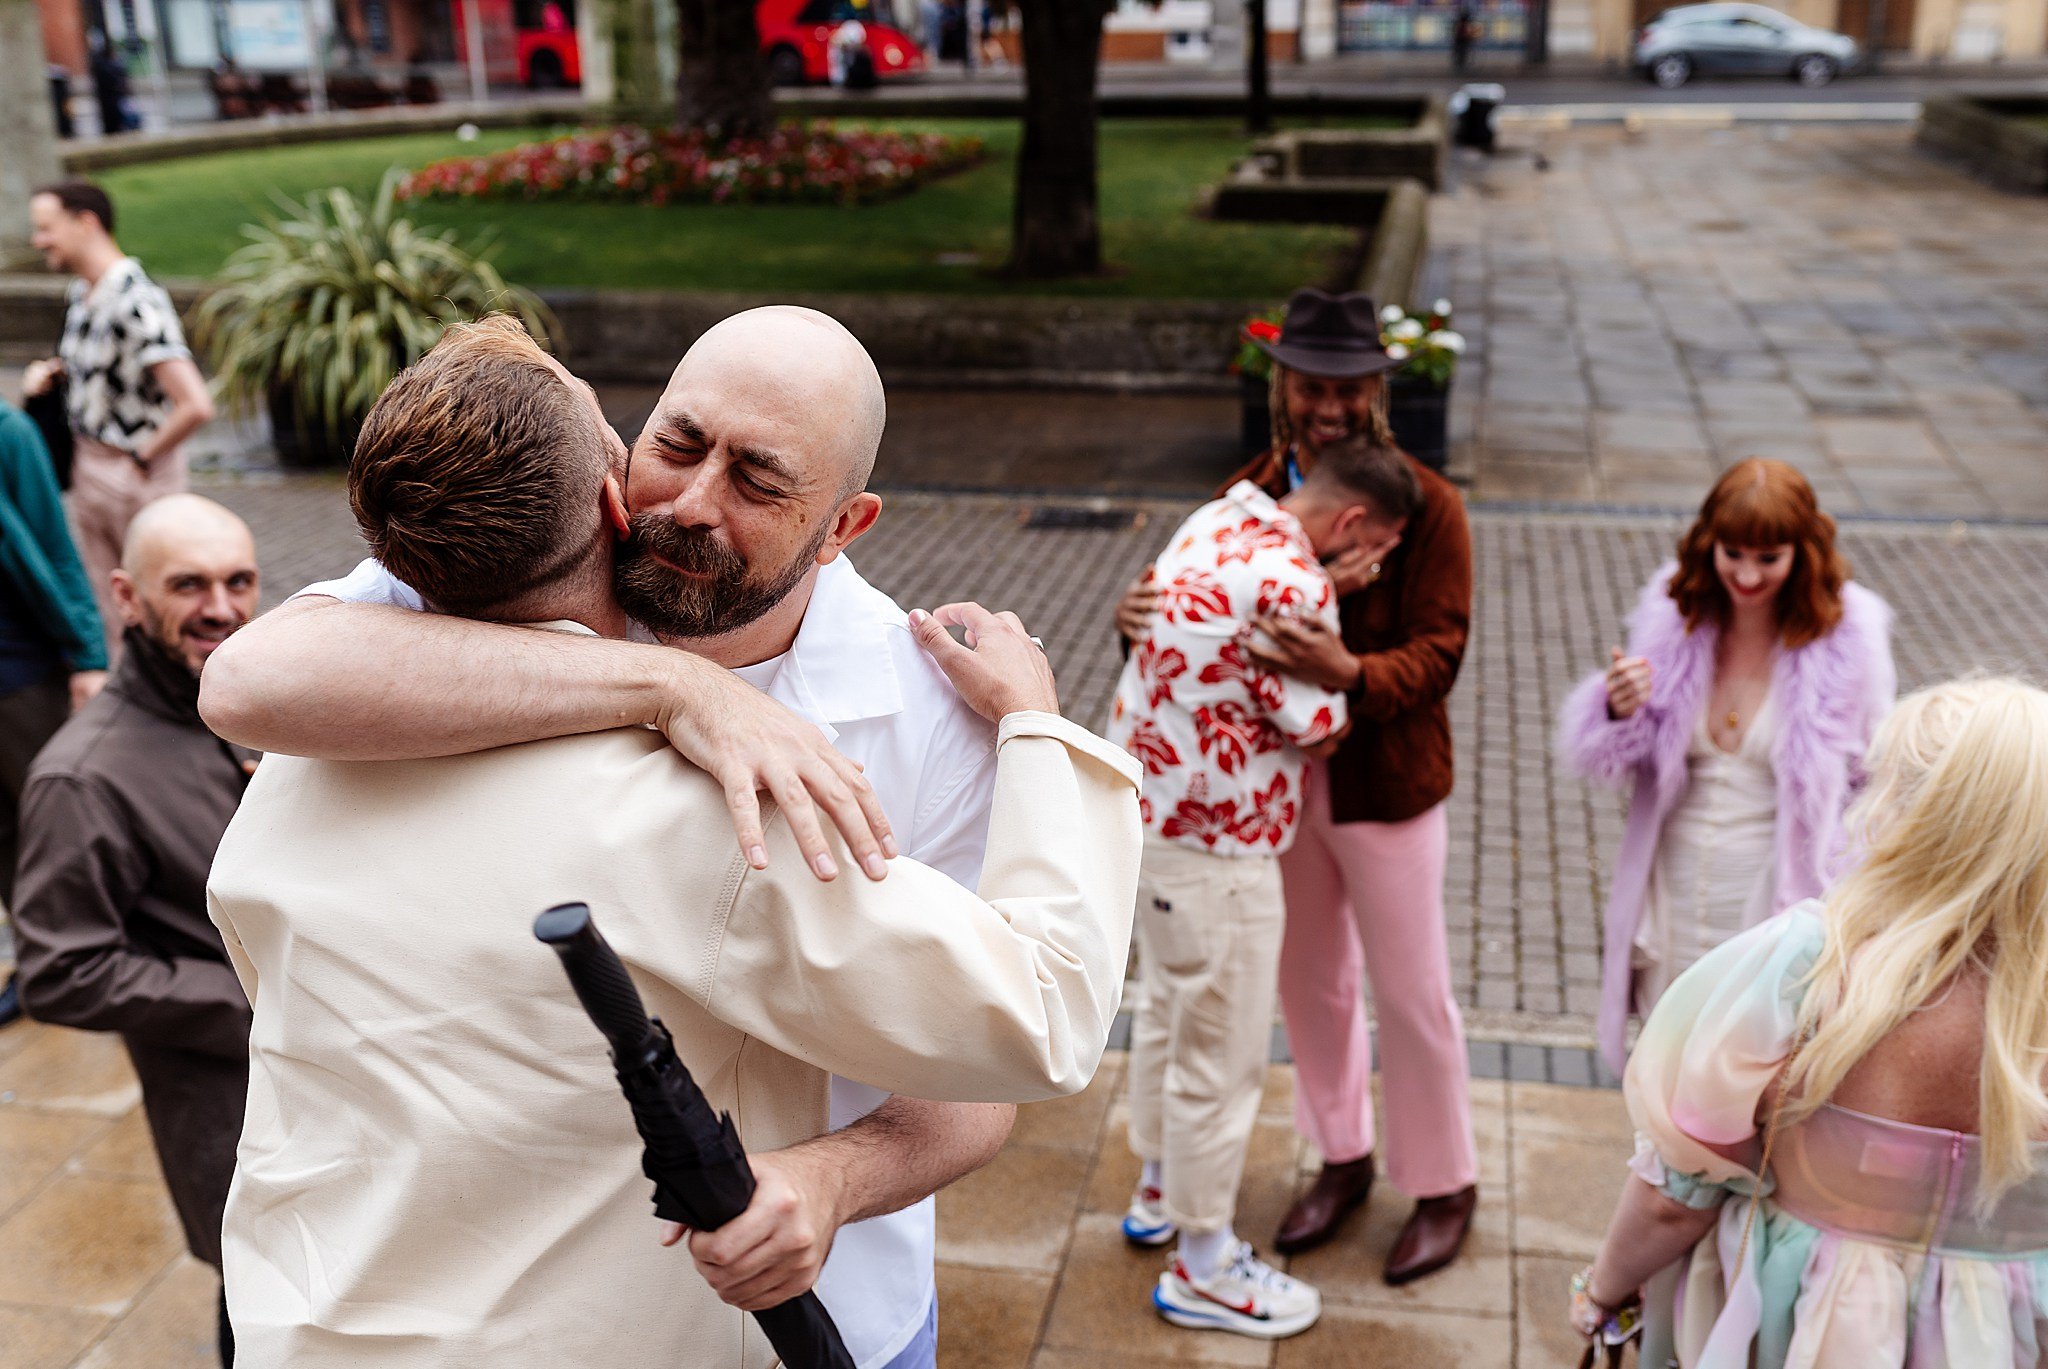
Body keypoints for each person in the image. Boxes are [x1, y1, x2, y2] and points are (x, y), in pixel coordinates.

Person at [206, 315, 1141, 1367]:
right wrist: (674, 684)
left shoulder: (930, 714)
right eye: (679, 443)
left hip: (820, 1312)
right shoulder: (488, 575)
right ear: (618, 452)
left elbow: (989, 1066)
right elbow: (246, 678)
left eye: (758, 479)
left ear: (844, 525)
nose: (691, 504)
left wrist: (830, 1180)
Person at [1114, 287, 1481, 1283]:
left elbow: (1439, 653)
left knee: (1410, 995)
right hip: (1271, 799)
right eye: (1311, 386)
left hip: (1384, 786)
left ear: (1374, 391)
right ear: (1281, 387)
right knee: (1309, 989)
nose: (1328, 405)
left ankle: (1443, 1181)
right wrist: (1133, 614)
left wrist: (1348, 671)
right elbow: (1182, 638)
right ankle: (1341, 1157)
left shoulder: (1428, 503)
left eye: (1347, 387)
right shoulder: (1243, 489)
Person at [1573, 677, 2048, 1368]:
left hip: (1793, 1325)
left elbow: (1674, 1200)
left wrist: (1603, 1294)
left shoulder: (1806, 962)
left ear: (1915, 814)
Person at [1113, 440, 1420, 1338]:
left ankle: (1160, 1186)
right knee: (1225, 1052)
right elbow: (1321, 726)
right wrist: (1334, 614)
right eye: (1384, 545)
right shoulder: (1296, 585)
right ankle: (1203, 1264)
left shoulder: (1220, 517)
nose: (1380, 561)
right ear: (1356, 522)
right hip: (1226, 850)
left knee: (1170, 1009)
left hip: (1151, 825)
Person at [12, 494, 261, 1368]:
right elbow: (61, 970)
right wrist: (251, 1003)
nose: (222, 607)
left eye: (239, 580)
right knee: (263, 1305)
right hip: (226, 1111)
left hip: (313, 1090)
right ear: (124, 594)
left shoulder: (247, 705)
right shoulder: (82, 779)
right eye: (188, 585)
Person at [1556, 458, 1894, 1075]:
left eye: (1768, 558)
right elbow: (1619, 752)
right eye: (1732, 552)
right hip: (1676, 872)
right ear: (1708, 543)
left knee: (1751, 1065)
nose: (1746, 574)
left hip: (1777, 887)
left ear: (1803, 553)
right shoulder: (1672, 615)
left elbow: (1877, 785)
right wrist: (1617, 706)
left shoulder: (1849, 642)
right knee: (1672, 1050)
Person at [23, 179, 215, 660]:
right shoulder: (83, 294)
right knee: (112, 603)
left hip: (135, 474)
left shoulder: (137, 300)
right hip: (89, 468)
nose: (37, 240)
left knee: (164, 606)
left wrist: (141, 458)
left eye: (46, 228)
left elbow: (195, 403)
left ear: (85, 223)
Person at [0, 396, 106, 1030]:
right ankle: (40, 967)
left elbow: (53, 545)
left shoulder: (9, 432)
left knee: (54, 825)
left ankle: (89, 959)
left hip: (21, 674)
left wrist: (87, 655)